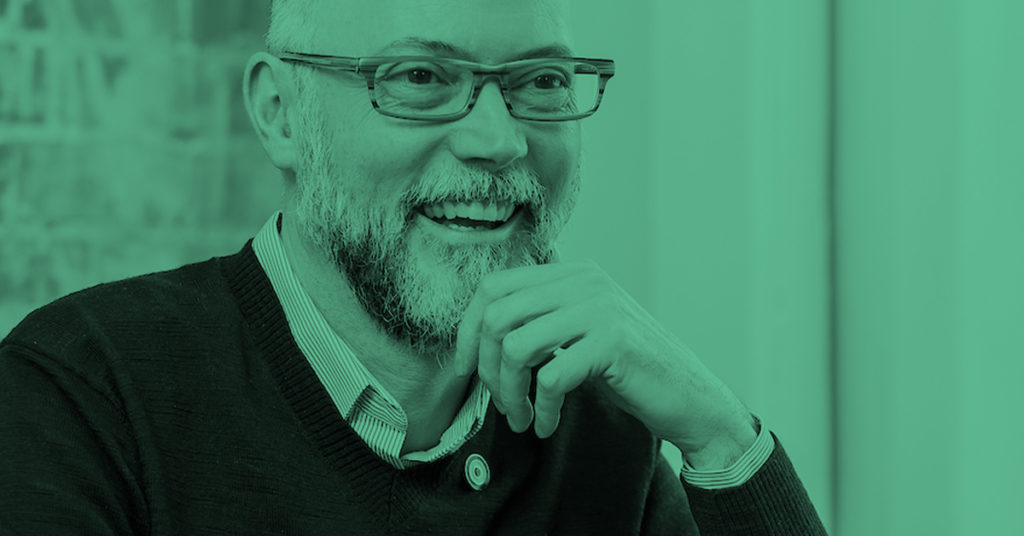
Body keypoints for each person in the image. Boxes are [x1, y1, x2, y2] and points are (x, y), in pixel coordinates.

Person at [0, 0, 826, 534]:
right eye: (422, 78)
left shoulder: (602, 438)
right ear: (280, 115)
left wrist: (720, 436)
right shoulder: (84, 392)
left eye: (539, 81)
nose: (500, 142)